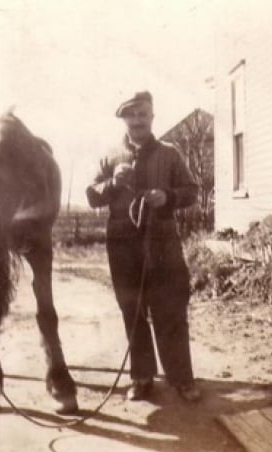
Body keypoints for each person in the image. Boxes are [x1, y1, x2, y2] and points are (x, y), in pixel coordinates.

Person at [86, 91, 202, 402]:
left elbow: (192, 191)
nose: (137, 120)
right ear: (123, 119)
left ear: (152, 117)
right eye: (131, 114)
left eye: (143, 114)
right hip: (122, 246)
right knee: (132, 311)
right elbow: (92, 195)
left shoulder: (170, 153)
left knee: (171, 310)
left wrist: (169, 197)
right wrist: (111, 184)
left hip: (163, 243)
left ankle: (182, 379)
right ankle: (141, 378)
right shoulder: (110, 155)